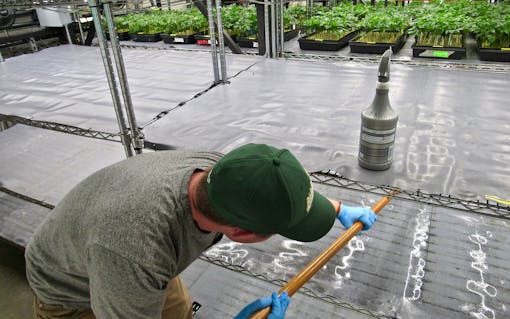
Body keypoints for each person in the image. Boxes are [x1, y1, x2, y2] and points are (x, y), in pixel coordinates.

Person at [25, 143, 376, 319]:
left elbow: (277, 188)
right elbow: (134, 260)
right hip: (72, 288)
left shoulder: (224, 170)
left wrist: (338, 209)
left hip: (122, 252)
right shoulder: (136, 252)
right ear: (240, 233)